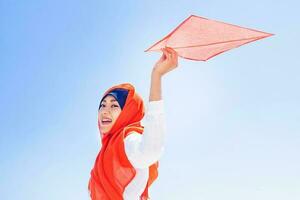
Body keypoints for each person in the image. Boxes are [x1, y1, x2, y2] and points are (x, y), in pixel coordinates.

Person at [88, 47, 178, 200]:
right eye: (102, 105)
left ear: (128, 111)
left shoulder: (127, 140)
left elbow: (150, 150)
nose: (105, 111)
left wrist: (156, 76)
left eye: (114, 106)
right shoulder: (107, 150)